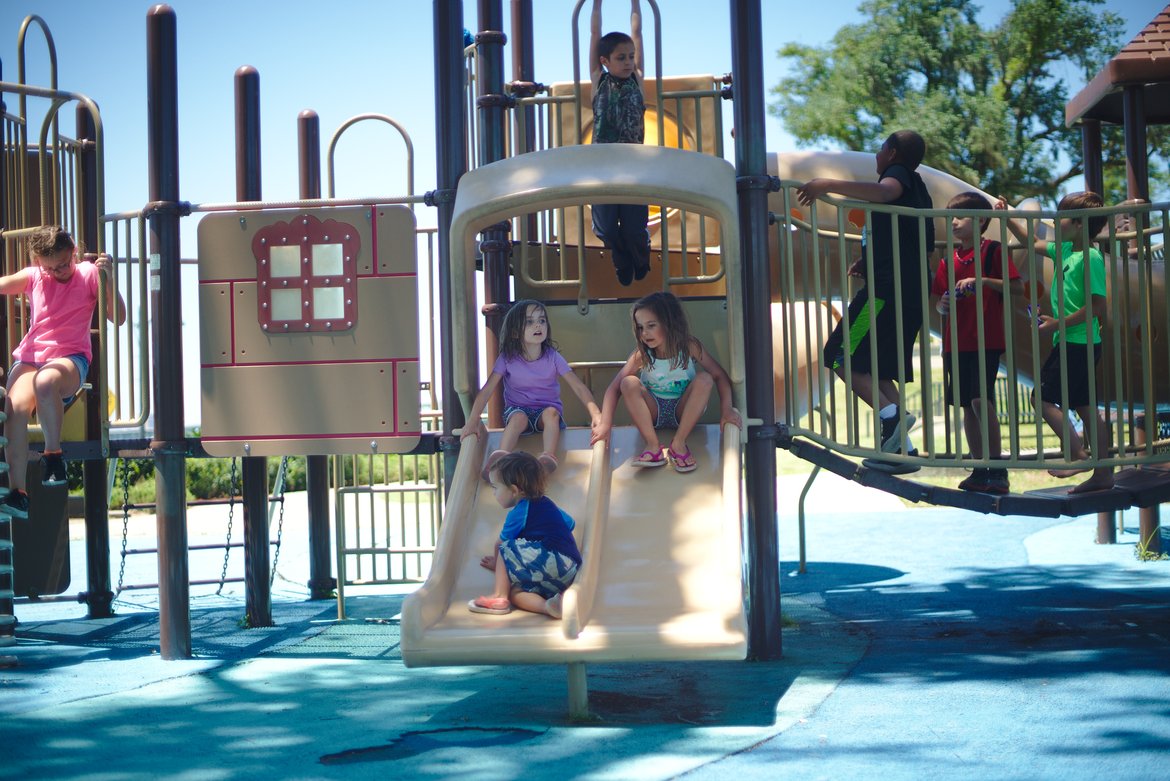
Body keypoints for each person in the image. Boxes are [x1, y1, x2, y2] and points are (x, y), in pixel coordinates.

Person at [795, 129, 935, 474]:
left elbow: (886, 192)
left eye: (879, 150)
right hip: (905, 289)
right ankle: (903, 450)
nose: (876, 157)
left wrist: (825, 183)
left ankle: (893, 418)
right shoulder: (918, 188)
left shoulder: (897, 176)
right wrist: (868, 261)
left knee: (840, 354)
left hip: (885, 293)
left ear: (890, 152)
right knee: (879, 369)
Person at [1, 226, 126, 519]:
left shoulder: (88, 273)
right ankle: (18, 492)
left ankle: (53, 456)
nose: (59, 272)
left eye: (64, 264)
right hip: (31, 357)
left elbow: (118, 317)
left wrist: (109, 280)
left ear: (73, 251)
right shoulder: (34, 277)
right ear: (39, 264)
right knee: (14, 408)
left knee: (45, 382)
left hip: (70, 358)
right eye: (51, 268)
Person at [1003, 191, 1112, 493]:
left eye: (1062, 216)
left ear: (1079, 225)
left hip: (1078, 342)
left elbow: (1097, 307)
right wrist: (1006, 217)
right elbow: (1029, 242)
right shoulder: (1065, 250)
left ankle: (1077, 454)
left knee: (1041, 398)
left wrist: (1057, 323)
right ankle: (1103, 475)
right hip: (1074, 340)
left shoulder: (1089, 258)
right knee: (1085, 405)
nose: (1055, 220)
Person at [931, 192, 1023, 494]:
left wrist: (982, 281)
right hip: (955, 343)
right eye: (951, 216)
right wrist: (943, 305)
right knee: (966, 405)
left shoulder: (993, 251)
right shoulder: (948, 260)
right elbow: (940, 302)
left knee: (981, 400)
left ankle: (997, 469)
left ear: (982, 221)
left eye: (961, 216)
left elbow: (1016, 287)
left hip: (985, 340)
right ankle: (979, 468)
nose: (954, 221)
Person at [595, 291, 741, 472]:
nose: (644, 333)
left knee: (705, 379)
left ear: (669, 323)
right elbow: (614, 388)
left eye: (651, 325)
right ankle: (652, 446)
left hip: (683, 411)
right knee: (628, 383)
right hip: (653, 412)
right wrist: (605, 424)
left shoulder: (689, 347)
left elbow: (719, 376)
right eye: (640, 327)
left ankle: (679, 445)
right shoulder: (642, 356)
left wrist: (727, 409)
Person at [462, 299, 602, 480]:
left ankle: (548, 457)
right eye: (529, 321)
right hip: (517, 410)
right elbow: (487, 390)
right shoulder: (507, 358)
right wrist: (473, 421)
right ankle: (499, 459)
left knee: (551, 413)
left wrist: (596, 414)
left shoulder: (552, 357)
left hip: (546, 411)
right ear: (514, 332)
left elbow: (578, 386)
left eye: (542, 320)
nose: (538, 325)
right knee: (518, 418)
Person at [468, 451, 581, 619]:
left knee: (505, 547)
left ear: (514, 490)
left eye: (495, 487)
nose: (493, 493)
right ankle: (549, 606)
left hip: (552, 561)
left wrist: (498, 564)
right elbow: (570, 523)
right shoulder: (548, 504)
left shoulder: (519, 512)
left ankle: (499, 597)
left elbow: (500, 545)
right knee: (517, 592)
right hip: (569, 571)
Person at [589, 0, 651, 286]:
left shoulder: (637, 80)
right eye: (621, 58)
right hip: (602, 165)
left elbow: (637, 31)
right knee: (605, 227)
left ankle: (639, 254)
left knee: (634, 227)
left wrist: (635, 3)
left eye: (631, 57)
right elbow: (594, 34)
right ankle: (620, 256)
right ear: (605, 61)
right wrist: (597, 4)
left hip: (632, 164)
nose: (628, 62)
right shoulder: (598, 80)